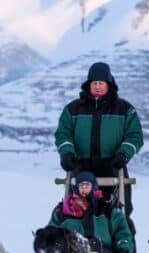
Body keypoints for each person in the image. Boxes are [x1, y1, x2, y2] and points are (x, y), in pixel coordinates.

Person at [55, 62, 143, 243]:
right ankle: (71, 249)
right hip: (81, 167)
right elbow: (63, 133)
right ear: (88, 84)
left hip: (113, 166)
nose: (97, 85)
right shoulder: (73, 110)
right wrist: (66, 154)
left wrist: (123, 154)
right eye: (94, 82)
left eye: (101, 82)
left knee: (120, 212)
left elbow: (135, 136)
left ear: (109, 84)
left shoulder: (125, 109)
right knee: (76, 210)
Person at [50, 171, 136, 253]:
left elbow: (122, 233)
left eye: (88, 185)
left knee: (95, 252)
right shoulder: (62, 212)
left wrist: (123, 251)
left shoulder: (108, 210)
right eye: (81, 185)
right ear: (76, 187)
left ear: (94, 186)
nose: (84, 188)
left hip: (103, 252)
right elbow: (50, 234)